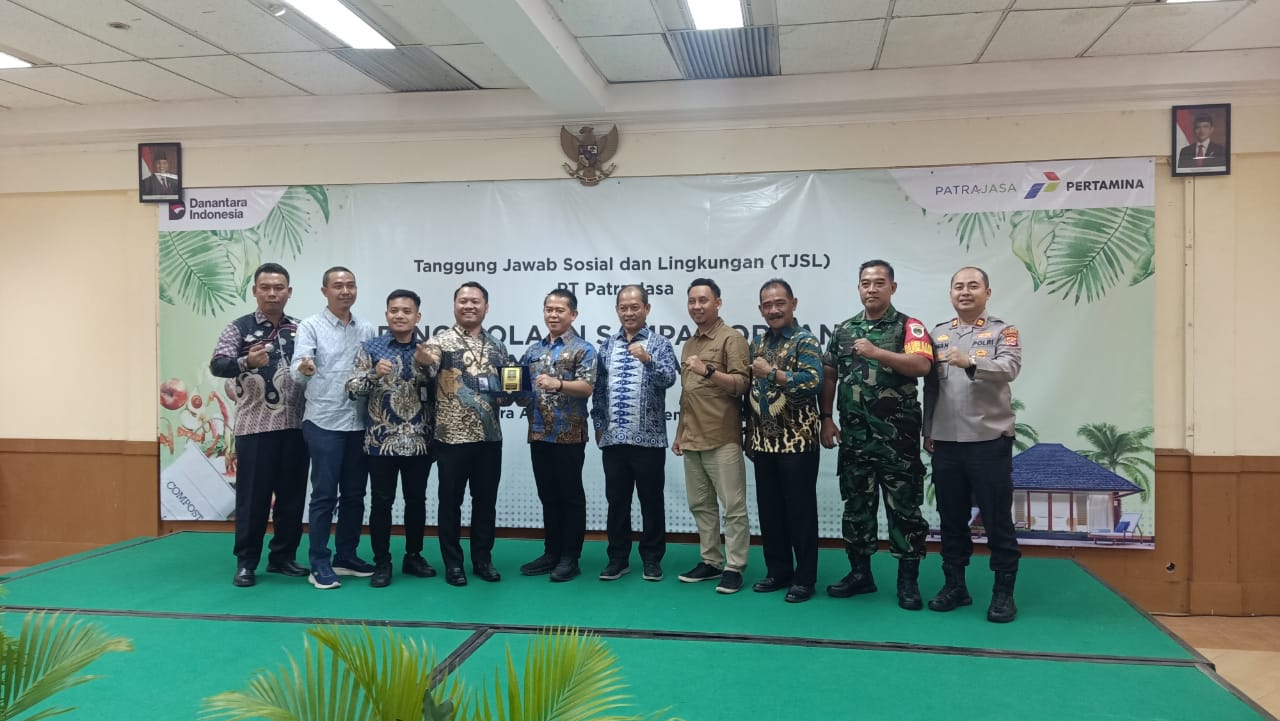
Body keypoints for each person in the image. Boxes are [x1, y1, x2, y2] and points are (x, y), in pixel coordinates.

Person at [820, 259, 933, 610]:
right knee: (857, 508)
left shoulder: (909, 326)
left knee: (905, 511)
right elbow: (829, 374)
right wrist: (826, 417)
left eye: (879, 282)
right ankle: (860, 575)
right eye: (865, 283)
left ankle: (907, 581)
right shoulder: (844, 330)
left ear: (892, 287)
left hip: (897, 442)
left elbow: (922, 365)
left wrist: (878, 352)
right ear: (858, 288)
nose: (872, 288)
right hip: (855, 440)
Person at [923, 266, 1023, 623]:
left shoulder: (1003, 331)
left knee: (996, 520)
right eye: (958, 287)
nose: (965, 292)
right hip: (946, 443)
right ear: (951, 293)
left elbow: (1010, 367)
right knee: (951, 518)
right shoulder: (937, 334)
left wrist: (972, 362)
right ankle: (955, 586)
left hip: (988, 441)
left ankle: (1003, 593)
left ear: (987, 293)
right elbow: (931, 387)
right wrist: (928, 429)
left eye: (973, 286)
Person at [209, 262, 308, 587]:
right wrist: (246, 361)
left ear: (289, 292)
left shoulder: (301, 329)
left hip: (296, 427)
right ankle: (246, 562)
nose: (272, 293)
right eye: (266, 287)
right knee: (253, 499)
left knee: (292, 499)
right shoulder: (239, 328)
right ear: (255, 291)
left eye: (279, 288)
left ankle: (283, 557)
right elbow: (217, 364)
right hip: (255, 428)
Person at [414, 281, 511, 587]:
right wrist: (422, 365)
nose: (469, 306)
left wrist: (511, 394)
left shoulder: (497, 346)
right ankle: (453, 563)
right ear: (455, 305)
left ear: (486, 307)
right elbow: (425, 375)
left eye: (475, 301)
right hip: (451, 438)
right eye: (463, 301)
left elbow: (506, 390)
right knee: (450, 503)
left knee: (486, 502)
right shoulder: (438, 343)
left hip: (489, 438)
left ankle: (483, 559)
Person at [291, 267, 377, 590]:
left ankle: (346, 556)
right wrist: (305, 367)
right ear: (324, 291)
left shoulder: (366, 328)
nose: (345, 291)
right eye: (338, 286)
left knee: (355, 495)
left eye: (350, 285)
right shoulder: (310, 326)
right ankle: (319, 562)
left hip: (359, 422)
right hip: (324, 421)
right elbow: (299, 369)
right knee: (324, 495)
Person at [345, 289, 436, 588]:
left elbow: (444, 391)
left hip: (420, 440)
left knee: (416, 501)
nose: (400, 315)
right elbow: (351, 389)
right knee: (381, 502)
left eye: (406, 311)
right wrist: (373, 374)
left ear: (417, 316)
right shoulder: (371, 348)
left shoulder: (429, 349)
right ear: (386, 315)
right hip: (381, 441)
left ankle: (414, 556)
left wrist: (428, 366)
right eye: (394, 310)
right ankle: (382, 561)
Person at [590, 284, 678, 582]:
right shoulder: (607, 346)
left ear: (647, 309)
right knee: (617, 501)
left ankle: (652, 559)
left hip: (649, 440)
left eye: (634, 307)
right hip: (614, 438)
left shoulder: (659, 343)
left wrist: (647, 359)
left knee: (651, 501)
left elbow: (668, 379)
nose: (629, 313)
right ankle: (618, 559)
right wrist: (599, 425)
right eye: (623, 308)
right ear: (617, 310)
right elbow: (599, 389)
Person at [744, 279, 823, 603]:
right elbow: (751, 390)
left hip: (797, 443)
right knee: (770, 511)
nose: (774, 310)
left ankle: (805, 578)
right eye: (767, 305)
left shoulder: (805, 340)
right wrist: (749, 433)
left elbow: (814, 381)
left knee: (800, 513)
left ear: (793, 304)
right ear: (761, 309)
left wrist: (774, 374)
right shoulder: (757, 343)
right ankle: (778, 571)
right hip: (764, 442)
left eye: (780, 303)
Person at [673, 278, 751, 594]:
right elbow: (686, 394)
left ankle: (735, 566)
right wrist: (679, 433)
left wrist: (707, 370)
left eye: (703, 300)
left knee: (733, 507)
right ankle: (711, 561)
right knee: (701, 505)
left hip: (722, 437)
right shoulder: (689, 344)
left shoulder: (732, 338)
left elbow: (741, 385)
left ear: (717, 303)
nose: (697, 306)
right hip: (692, 437)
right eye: (692, 301)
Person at [515, 289, 597, 582]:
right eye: (549, 309)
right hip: (539, 433)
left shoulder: (583, 349)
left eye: (559, 310)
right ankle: (551, 553)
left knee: (570, 496)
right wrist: (510, 390)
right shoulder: (533, 351)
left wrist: (558, 384)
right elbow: (521, 390)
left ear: (573, 314)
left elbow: (587, 387)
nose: (553, 314)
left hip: (568, 434)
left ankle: (570, 557)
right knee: (548, 495)